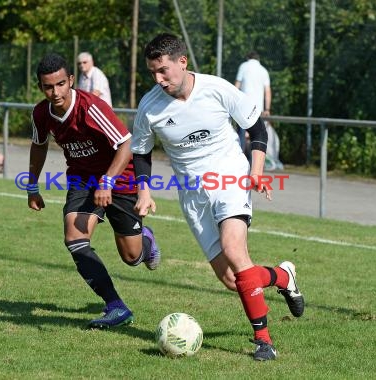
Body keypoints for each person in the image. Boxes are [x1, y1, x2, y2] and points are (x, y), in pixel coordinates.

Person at [130, 33, 304, 361]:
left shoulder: (216, 88)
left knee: (234, 249)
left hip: (230, 178)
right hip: (193, 196)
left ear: (183, 62)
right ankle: (283, 276)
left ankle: (264, 341)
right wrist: (144, 189)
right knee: (230, 278)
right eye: (153, 72)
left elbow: (256, 128)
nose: (159, 78)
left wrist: (256, 170)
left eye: (164, 70)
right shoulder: (150, 107)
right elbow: (141, 152)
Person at [27, 52, 161, 329]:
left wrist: (108, 181)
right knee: (74, 237)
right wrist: (32, 185)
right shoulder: (41, 113)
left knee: (131, 258)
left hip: (120, 179)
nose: (55, 92)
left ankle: (146, 243)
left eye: (61, 84)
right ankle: (115, 306)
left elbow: (126, 144)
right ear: (41, 87)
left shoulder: (90, 107)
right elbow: (39, 145)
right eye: (48, 87)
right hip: (83, 180)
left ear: (71, 81)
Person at [234, 51, 272, 155]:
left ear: (248, 58)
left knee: (241, 137)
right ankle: (254, 166)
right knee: (256, 137)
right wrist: (267, 109)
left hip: (243, 108)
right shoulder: (264, 70)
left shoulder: (243, 66)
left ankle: (240, 162)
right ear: (258, 59)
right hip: (257, 110)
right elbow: (267, 91)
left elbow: (236, 87)